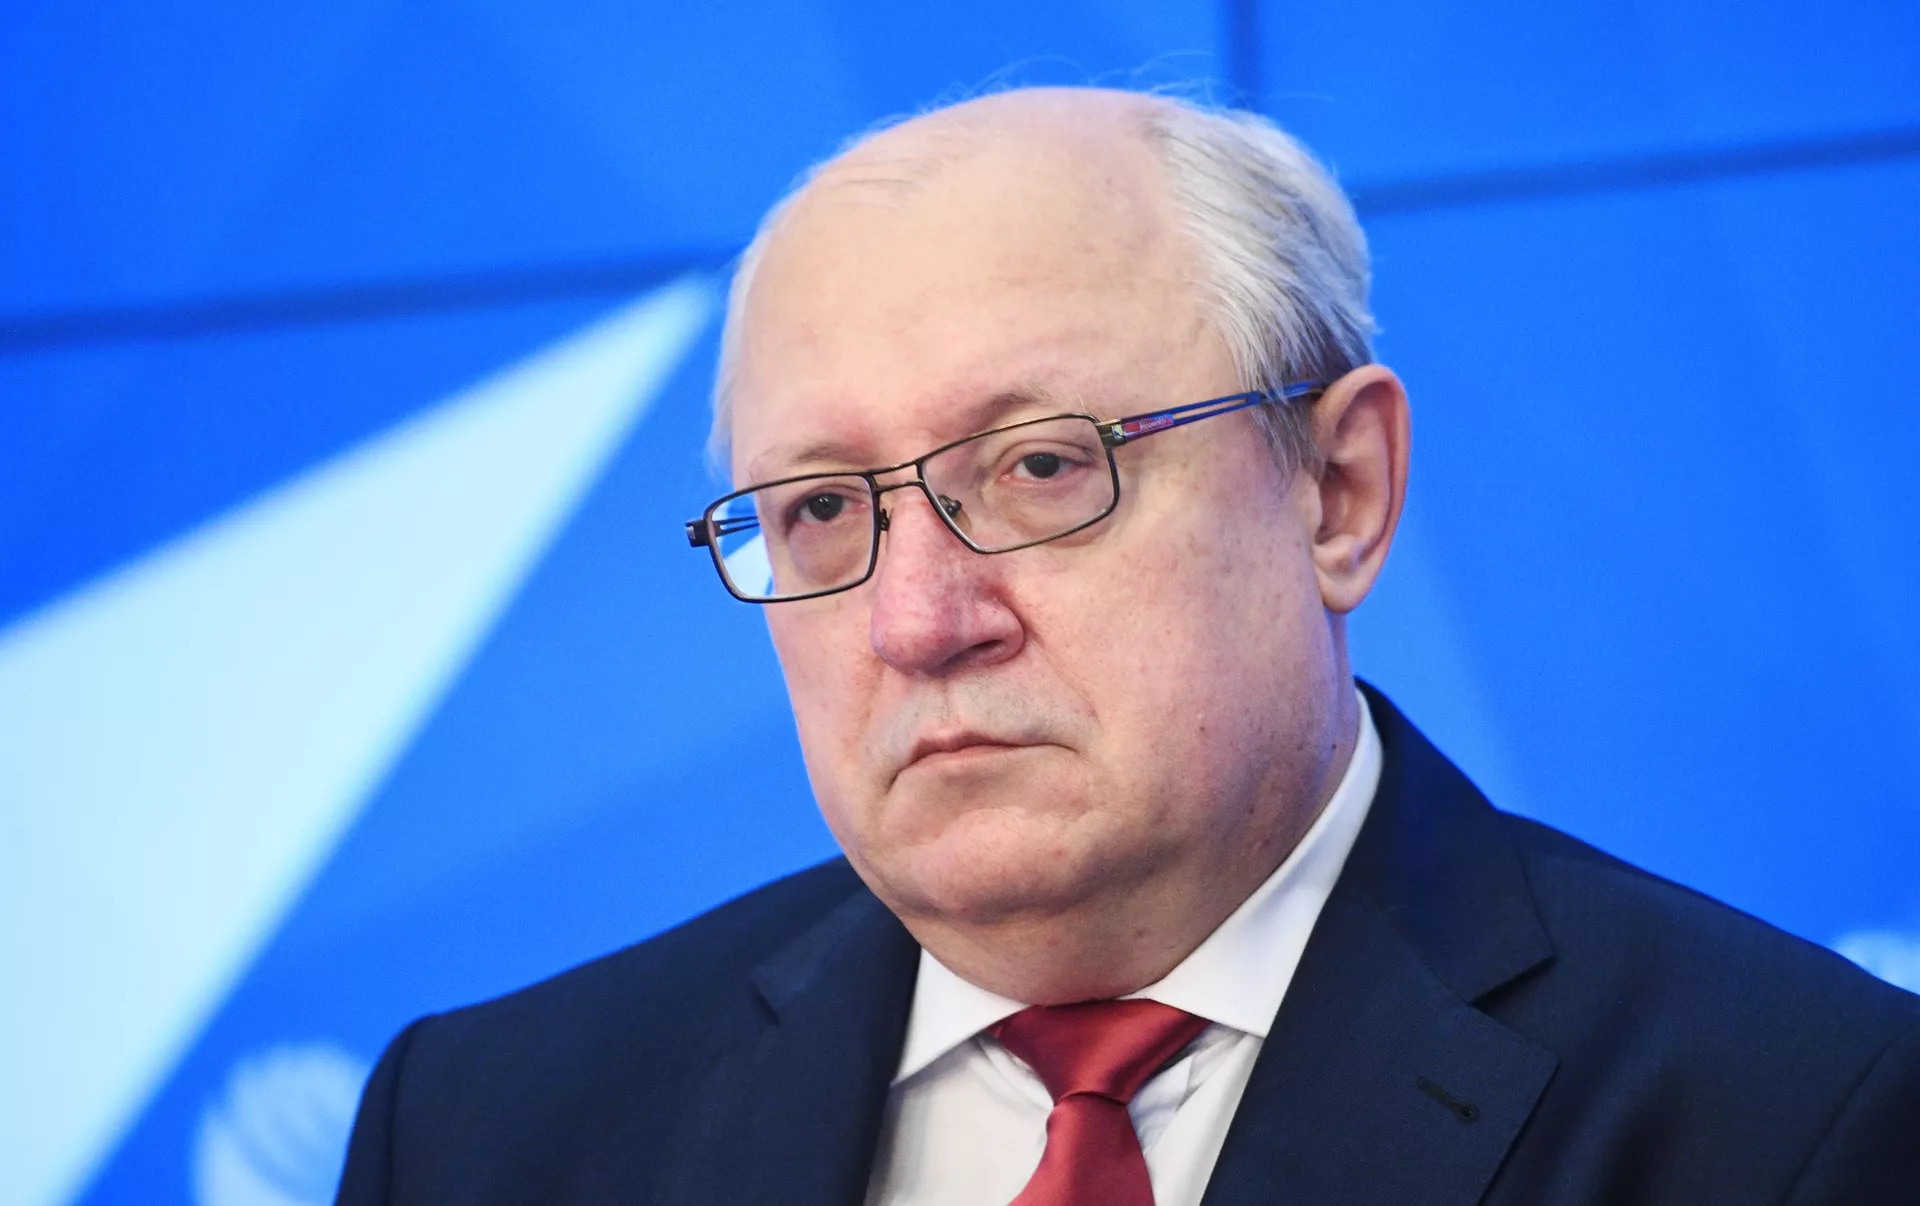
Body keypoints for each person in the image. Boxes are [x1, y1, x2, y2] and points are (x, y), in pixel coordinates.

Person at [335, 87, 1920, 1206]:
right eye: (820, 509)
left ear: (1339, 492)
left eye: (1041, 467)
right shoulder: (479, 1133)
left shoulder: (1797, 1119)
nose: (919, 620)